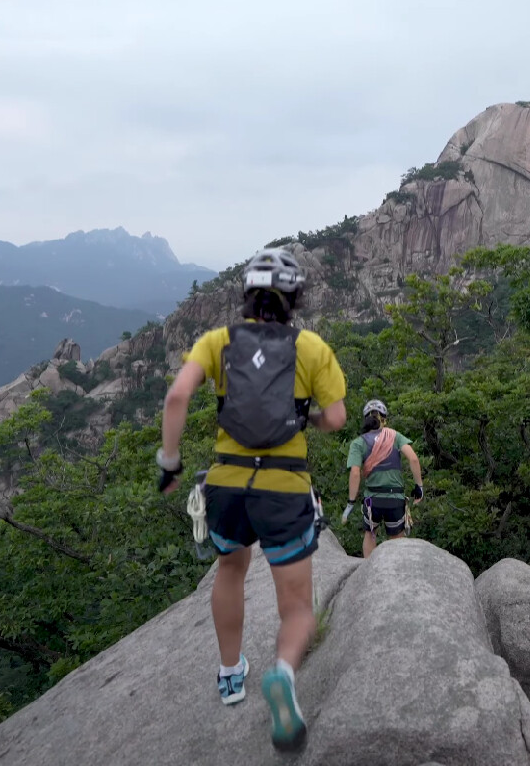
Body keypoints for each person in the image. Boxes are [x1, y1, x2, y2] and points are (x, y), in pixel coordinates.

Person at [157, 247, 346, 753]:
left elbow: (177, 397)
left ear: (246, 296)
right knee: (299, 609)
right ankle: (282, 673)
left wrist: (170, 462)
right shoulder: (311, 349)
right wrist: (305, 418)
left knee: (230, 572)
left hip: (226, 486)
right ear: (294, 299)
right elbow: (337, 418)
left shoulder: (218, 342)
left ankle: (229, 674)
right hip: (283, 489)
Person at [342, 399, 423, 558]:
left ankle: (368, 570)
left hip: (373, 499)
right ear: (384, 419)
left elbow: (355, 472)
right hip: (395, 498)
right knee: (397, 538)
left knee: (370, 534)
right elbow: (413, 459)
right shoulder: (395, 436)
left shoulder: (358, 443)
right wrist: (419, 486)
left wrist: (351, 502)